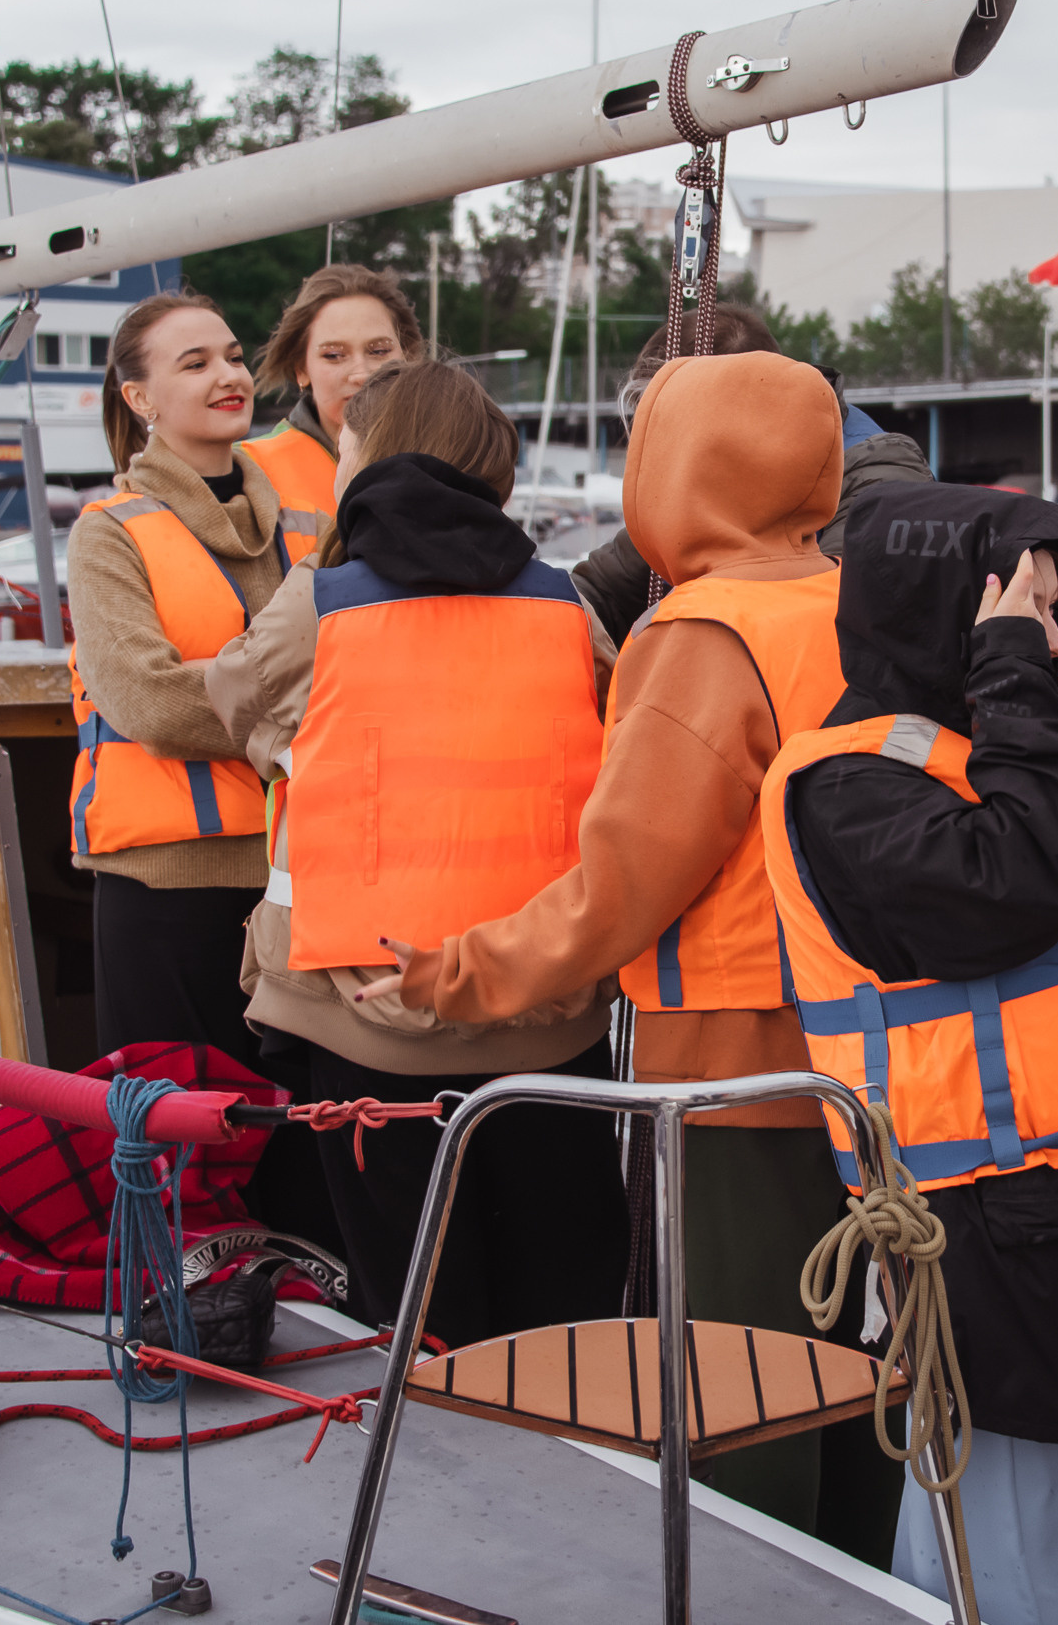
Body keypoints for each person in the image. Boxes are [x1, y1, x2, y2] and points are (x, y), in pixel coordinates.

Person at [359, 349, 901, 1559]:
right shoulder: (855, 600)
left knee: (736, 1381)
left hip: (730, 1076)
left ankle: (756, 1587)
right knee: (857, 1367)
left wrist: (453, 970)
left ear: (674, 466)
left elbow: (622, 888)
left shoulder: (702, 633)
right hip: (873, 1058)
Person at [757, 483, 1058, 1625]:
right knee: (1002, 1497)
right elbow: (1005, 890)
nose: (1047, 635)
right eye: (1025, 609)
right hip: (969, 1214)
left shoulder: (1010, 742)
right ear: (950, 613)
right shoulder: (848, 781)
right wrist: (1016, 672)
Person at [205, 359, 626, 1345]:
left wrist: (298, 748)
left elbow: (239, 700)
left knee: (419, 1311)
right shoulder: (571, 611)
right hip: (549, 1028)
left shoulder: (320, 604)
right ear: (501, 476)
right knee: (563, 1309)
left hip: (367, 1024)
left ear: (366, 458)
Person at [67, 289, 331, 1243]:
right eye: (193, 363)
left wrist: (254, 696)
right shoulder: (111, 531)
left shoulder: (304, 526)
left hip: (293, 882)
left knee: (292, 1135)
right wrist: (295, 723)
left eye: (229, 354)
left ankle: (307, 1307)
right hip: (165, 889)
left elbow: (343, 670)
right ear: (137, 397)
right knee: (176, 1149)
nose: (227, 375)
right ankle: (185, 1319)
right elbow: (148, 700)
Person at [570, 302, 932, 644]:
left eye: (665, 420)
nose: (656, 443)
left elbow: (826, 624)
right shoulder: (708, 488)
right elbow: (597, 592)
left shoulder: (880, 477)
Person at [244, 264, 426, 528]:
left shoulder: (452, 455)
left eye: (378, 351)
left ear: (408, 356)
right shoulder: (250, 470)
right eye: (334, 355)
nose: (361, 374)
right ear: (301, 369)